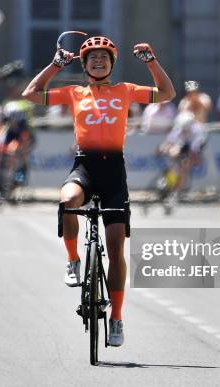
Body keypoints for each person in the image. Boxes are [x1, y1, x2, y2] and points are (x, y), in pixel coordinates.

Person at [22, 35, 176, 347]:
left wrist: (151, 62)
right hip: (85, 167)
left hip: (114, 172)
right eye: (91, 57)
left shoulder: (126, 90)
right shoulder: (74, 92)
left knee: (116, 248)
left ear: (112, 62)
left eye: (103, 57)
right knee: (68, 201)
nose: (97, 61)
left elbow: (168, 93)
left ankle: (116, 317)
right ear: (83, 63)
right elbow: (31, 94)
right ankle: (73, 259)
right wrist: (55, 65)